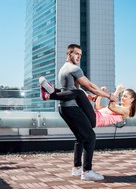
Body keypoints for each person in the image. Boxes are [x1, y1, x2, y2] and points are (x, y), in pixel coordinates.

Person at [40, 43, 117, 181]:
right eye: (76, 54)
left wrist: (90, 97)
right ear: (69, 54)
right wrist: (110, 96)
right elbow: (90, 86)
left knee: (81, 137)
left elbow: (73, 91)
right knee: (90, 136)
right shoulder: (74, 68)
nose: (79, 57)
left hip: (63, 108)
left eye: (81, 55)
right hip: (72, 108)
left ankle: (77, 168)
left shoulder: (63, 69)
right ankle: (87, 171)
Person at [39, 80, 136, 127]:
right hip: (93, 116)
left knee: (79, 93)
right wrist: (99, 94)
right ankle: (52, 91)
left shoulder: (126, 111)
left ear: (132, 100)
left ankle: (49, 95)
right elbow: (97, 107)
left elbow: (111, 106)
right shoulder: (119, 107)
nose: (122, 98)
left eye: (125, 96)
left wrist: (117, 91)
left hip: (94, 120)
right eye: (123, 95)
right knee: (77, 91)